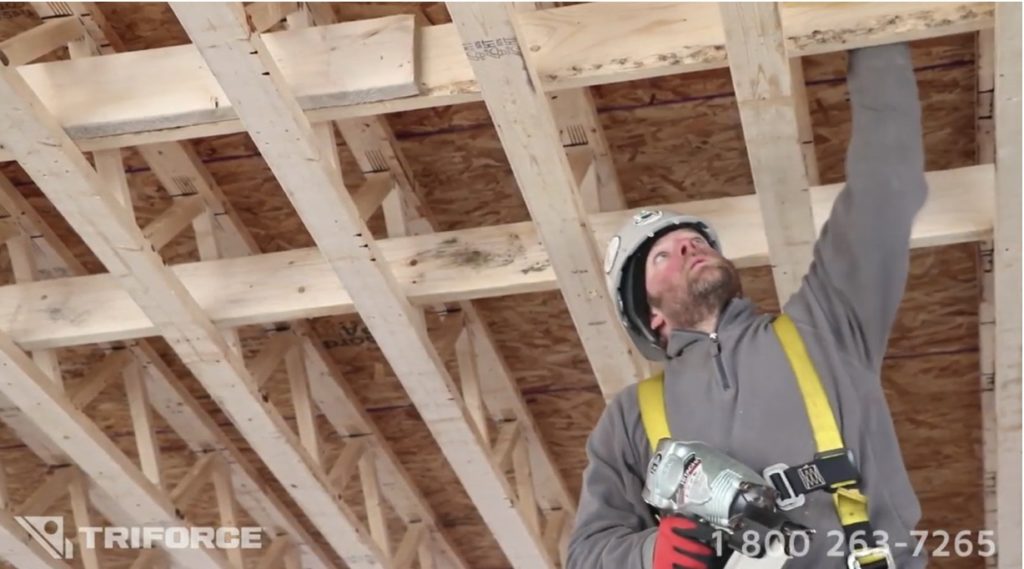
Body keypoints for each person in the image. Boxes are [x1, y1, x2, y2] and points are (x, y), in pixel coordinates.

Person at [567, 42, 929, 569]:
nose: (689, 246)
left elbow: (884, 190)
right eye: (663, 255)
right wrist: (651, 553)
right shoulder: (631, 420)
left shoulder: (825, 329)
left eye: (696, 239)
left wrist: (873, 36)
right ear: (652, 316)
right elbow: (587, 554)